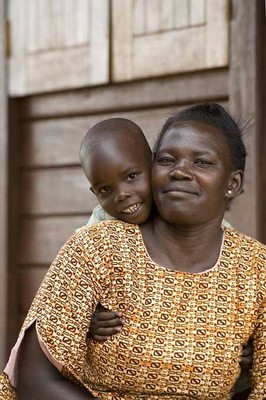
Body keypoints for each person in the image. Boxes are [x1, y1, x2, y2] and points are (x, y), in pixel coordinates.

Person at [1, 103, 265, 399]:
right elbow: (33, 377)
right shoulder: (97, 247)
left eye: (201, 162)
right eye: (167, 159)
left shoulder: (254, 269)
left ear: (233, 183)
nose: (180, 171)